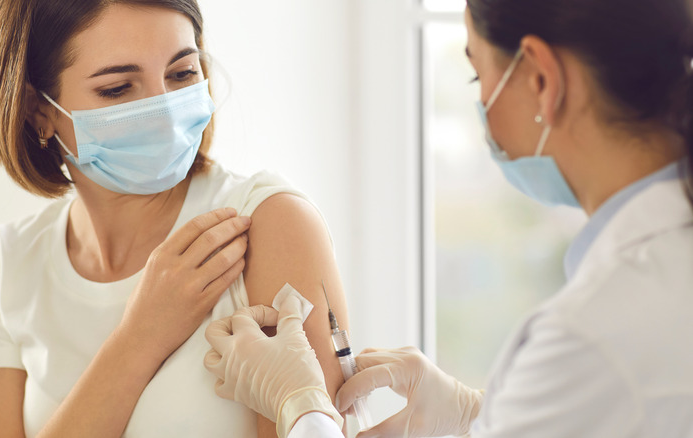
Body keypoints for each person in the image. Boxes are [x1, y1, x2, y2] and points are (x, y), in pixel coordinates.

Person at [204, 0, 693, 436]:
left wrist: (303, 407)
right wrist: (472, 414)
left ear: (542, 80)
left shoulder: (593, 336)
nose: (480, 104)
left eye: (478, 76)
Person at [0, 1, 350, 437]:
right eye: (118, 88)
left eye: (182, 73)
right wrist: (139, 339)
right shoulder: (8, 267)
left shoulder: (268, 224)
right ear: (39, 109)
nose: (165, 112)